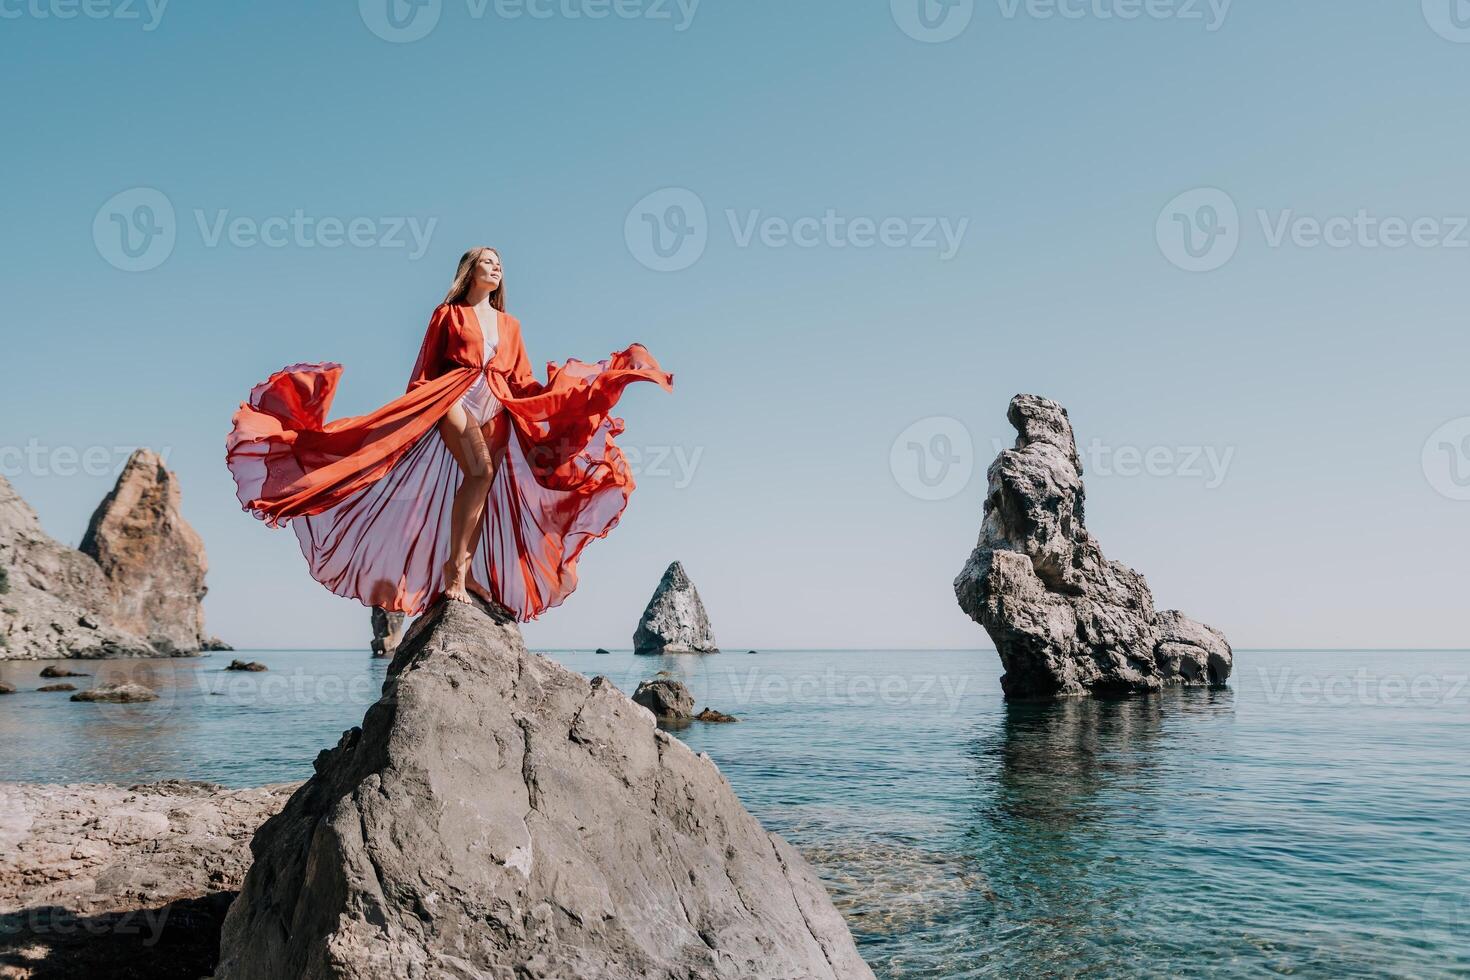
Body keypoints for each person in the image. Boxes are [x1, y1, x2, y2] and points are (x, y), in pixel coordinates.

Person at [225, 246, 673, 620]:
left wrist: (567, 396)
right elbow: (425, 371)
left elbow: (521, 377)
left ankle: (466, 571)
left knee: (483, 486)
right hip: (453, 399)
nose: (496, 267)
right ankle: (454, 573)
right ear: (470, 271)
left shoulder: (511, 325)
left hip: (498, 402)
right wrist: (414, 417)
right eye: (488, 261)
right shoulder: (448, 314)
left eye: (499, 263)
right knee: (478, 473)